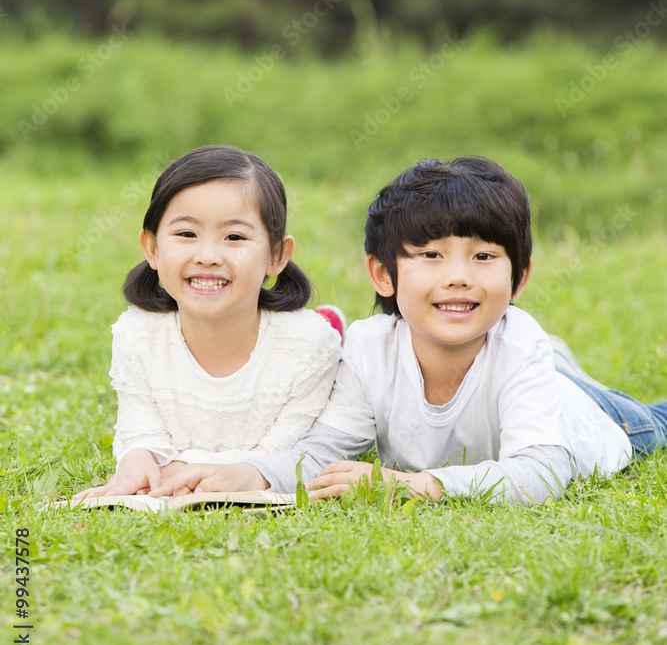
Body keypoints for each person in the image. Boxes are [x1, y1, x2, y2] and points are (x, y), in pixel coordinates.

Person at [153, 155, 667, 505]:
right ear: (382, 274)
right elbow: (326, 453)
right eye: (430, 255)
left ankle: (564, 376)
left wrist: (415, 485)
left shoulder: (516, 341)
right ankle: (559, 370)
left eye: (484, 256)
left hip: (600, 423)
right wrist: (246, 475)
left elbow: (542, 473)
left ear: (519, 277)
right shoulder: (369, 347)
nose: (459, 275)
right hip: (533, 378)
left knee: (657, 422)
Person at [74, 145, 342, 499]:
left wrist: (179, 469)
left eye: (235, 237)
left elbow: (281, 453)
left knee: (322, 338)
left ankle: (334, 325)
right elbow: (140, 430)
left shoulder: (308, 347)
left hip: (299, 342)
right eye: (187, 234)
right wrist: (136, 460)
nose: (208, 256)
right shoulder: (137, 334)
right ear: (152, 248)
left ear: (276, 256)